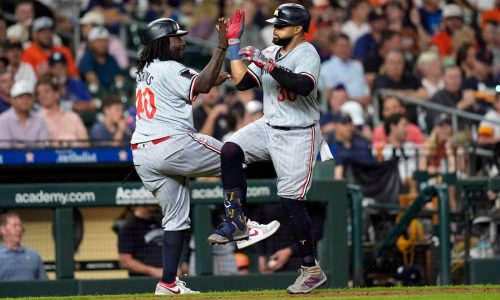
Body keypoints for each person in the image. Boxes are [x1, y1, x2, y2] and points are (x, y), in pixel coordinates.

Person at [131, 17, 277, 295]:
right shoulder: (169, 67)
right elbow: (202, 83)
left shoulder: (146, 69)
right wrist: (221, 47)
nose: (182, 41)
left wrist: (209, 79)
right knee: (233, 154)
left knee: (175, 219)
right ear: (163, 42)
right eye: (176, 38)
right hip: (171, 143)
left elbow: (200, 83)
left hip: (143, 153)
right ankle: (238, 223)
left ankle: (168, 283)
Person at [206, 4, 330, 294]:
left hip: (299, 133)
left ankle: (311, 270)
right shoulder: (272, 53)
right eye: (274, 24)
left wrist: (268, 66)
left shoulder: (306, 52)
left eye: (281, 25)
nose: (275, 28)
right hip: (269, 125)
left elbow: (303, 86)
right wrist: (234, 46)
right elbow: (241, 83)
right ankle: (236, 221)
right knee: (231, 149)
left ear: (298, 28)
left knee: (290, 202)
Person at [36, 74, 89, 148]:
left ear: (56, 94)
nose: (42, 96)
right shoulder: (37, 120)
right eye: (39, 93)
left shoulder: (73, 117)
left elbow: (86, 144)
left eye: (46, 91)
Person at [0, 80, 49, 148]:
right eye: (20, 97)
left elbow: (43, 148)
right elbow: (5, 149)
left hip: (37, 158)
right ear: (12, 100)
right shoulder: (3, 120)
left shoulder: (40, 120)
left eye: (28, 96)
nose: (25, 100)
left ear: (33, 99)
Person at [0, 211, 48, 281]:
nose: (19, 229)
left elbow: (45, 284)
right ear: (2, 230)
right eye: (14, 226)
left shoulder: (34, 256)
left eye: (20, 226)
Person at [117, 206, 164, 277]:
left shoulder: (162, 220)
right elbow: (125, 261)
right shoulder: (129, 226)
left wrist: (179, 266)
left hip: (171, 279)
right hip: (143, 280)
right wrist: (152, 271)